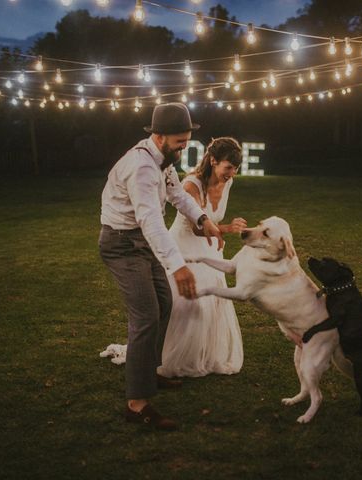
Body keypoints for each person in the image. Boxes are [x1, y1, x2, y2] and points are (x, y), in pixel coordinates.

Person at [98, 102, 223, 430]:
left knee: (164, 303)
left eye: (186, 140)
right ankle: (137, 404)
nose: (184, 147)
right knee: (145, 316)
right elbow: (150, 219)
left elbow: (179, 194)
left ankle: (149, 372)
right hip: (123, 245)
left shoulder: (163, 159)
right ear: (159, 136)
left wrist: (202, 218)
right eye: (180, 141)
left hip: (140, 242)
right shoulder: (141, 167)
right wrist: (178, 265)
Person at [158, 137, 246, 378]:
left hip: (209, 247)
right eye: (228, 167)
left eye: (236, 169)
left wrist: (220, 230)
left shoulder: (227, 182)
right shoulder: (191, 185)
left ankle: (206, 353)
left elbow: (211, 222)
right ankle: (175, 354)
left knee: (213, 299)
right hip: (184, 246)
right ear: (214, 160)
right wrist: (227, 229)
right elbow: (198, 226)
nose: (232, 174)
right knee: (189, 301)